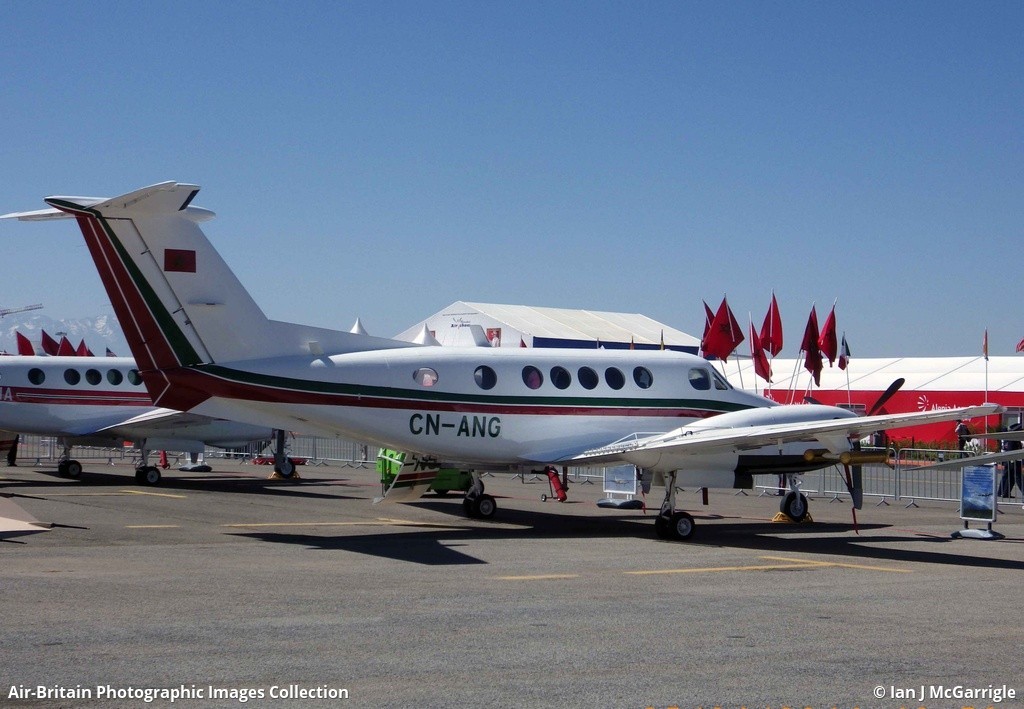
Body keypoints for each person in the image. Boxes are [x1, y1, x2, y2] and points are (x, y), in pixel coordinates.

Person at [998, 424, 1023, 498]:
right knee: (1017, 478)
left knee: (1011, 478)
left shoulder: (1014, 438)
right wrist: (1012, 461)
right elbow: (1010, 450)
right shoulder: (1012, 439)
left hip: (1012, 461)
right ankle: (1001, 492)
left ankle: (1005, 493)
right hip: (1012, 461)